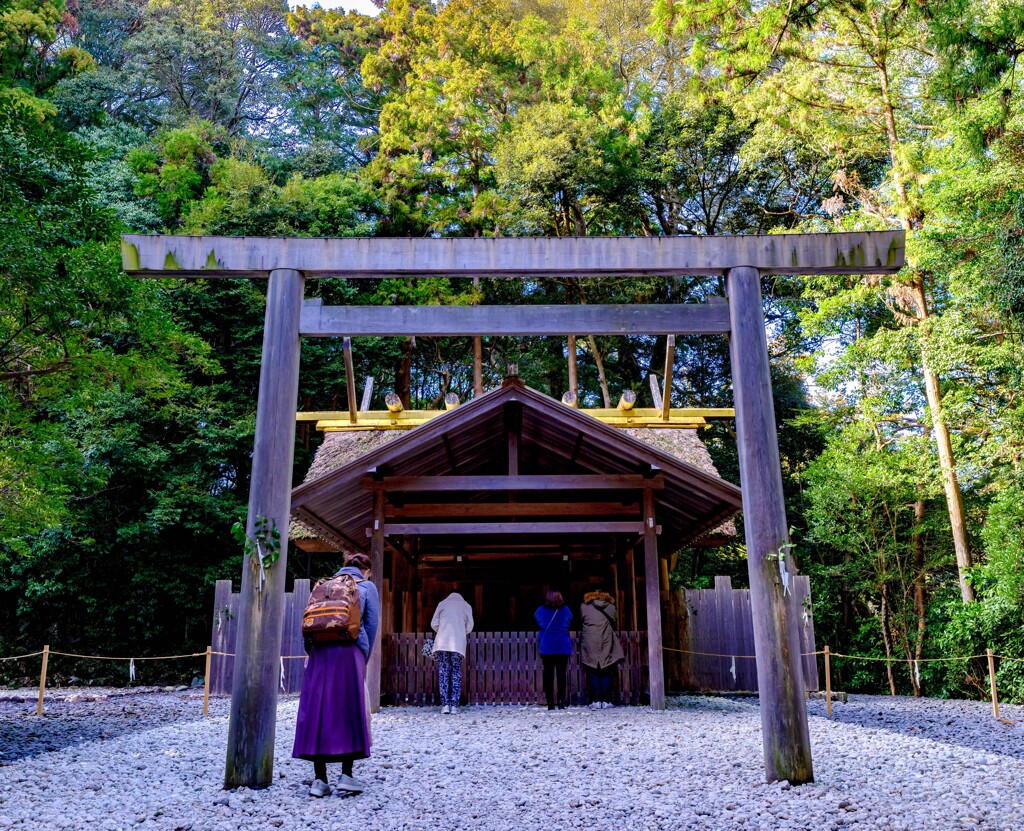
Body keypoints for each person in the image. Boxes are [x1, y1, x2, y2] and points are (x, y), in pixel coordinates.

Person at [293, 552, 380, 798]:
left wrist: (313, 650)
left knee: (317, 711)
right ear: (366, 570)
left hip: (319, 652)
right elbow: (371, 626)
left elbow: (311, 623)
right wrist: (363, 655)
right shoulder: (366, 586)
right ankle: (346, 776)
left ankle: (319, 780)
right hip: (348, 651)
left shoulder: (325, 585)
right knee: (347, 709)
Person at [430, 592, 474, 714]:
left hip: (442, 643)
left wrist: (443, 630)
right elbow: (470, 626)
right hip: (458, 645)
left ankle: (445, 705)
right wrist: (460, 631)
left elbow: (433, 623)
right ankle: (454, 705)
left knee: (444, 672)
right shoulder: (466, 606)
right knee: (456, 672)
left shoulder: (442, 604)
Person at [579, 590, 624, 709]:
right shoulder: (610, 606)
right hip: (606, 639)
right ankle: (606, 700)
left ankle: (596, 700)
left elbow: (582, 620)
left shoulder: (584, 606)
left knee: (593, 670)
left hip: (590, 640)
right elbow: (614, 622)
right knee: (606, 669)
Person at [534, 590, 572, 709]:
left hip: (547, 646)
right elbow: (568, 622)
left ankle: (550, 703)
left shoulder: (541, 610)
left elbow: (540, 621)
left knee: (548, 675)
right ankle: (561, 701)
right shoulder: (566, 610)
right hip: (562, 645)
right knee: (561, 674)